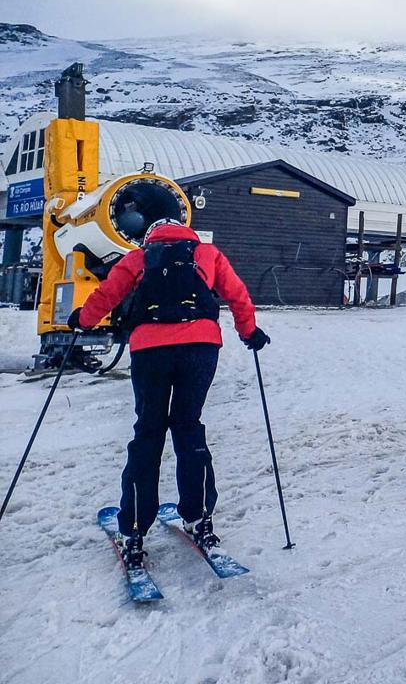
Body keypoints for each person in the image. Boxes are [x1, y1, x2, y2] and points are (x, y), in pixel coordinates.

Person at [67, 217, 267, 569]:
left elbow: (107, 294)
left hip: (150, 350)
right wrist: (249, 331)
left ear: (151, 236)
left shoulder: (139, 257)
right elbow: (237, 294)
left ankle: (133, 530)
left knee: (148, 432)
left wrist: (82, 321)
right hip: (201, 346)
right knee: (189, 426)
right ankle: (199, 516)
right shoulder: (207, 253)